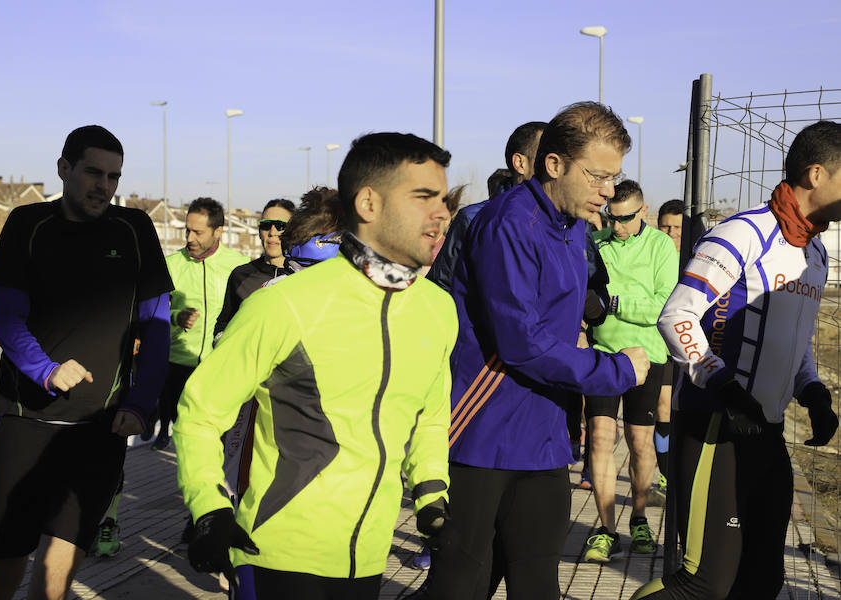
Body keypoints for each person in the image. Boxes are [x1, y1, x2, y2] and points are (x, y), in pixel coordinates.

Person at [174, 132, 459, 600]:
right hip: (277, 553)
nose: (442, 212)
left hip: (369, 557)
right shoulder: (286, 304)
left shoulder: (438, 309)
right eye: (424, 197)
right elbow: (201, 412)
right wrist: (209, 507)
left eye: (443, 198)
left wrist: (431, 497)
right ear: (368, 202)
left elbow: (429, 415)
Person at [424, 101, 650, 600]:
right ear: (554, 165)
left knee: (537, 581)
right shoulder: (509, 225)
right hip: (482, 436)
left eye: (614, 178)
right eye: (597, 177)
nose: (609, 192)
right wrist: (613, 370)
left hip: (543, 439)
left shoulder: (573, 230)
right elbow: (523, 344)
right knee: (461, 584)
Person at [631, 120, 841, 599]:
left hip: (763, 429)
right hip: (714, 426)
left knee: (762, 581)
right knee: (702, 586)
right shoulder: (746, 232)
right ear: (816, 175)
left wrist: (812, 392)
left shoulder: (815, 252)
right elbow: (677, 315)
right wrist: (723, 386)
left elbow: (798, 339)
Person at [0, 125, 172, 600]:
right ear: (64, 169)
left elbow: (158, 325)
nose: (104, 185)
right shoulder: (27, 224)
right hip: (27, 426)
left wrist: (141, 404)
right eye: (93, 172)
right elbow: (5, 316)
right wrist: (45, 369)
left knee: (53, 584)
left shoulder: (134, 229)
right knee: (0, 579)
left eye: (114, 176)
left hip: (99, 432)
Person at [581, 180, 678, 562]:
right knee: (601, 439)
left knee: (640, 443)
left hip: (647, 357)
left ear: (643, 211)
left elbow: (662, 305)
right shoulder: (597, 242)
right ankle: (605, 529)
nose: (616, 226)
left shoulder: (661, 247)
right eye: (611, 217)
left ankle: (638, 516)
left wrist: (615, 302)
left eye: (624, 219)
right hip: (603, 353)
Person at [152, 198, 250, 450]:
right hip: (176, 363)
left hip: (217, 366)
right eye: (187, 230)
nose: (189, 238)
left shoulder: (239, 267)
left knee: (212, 437)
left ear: (218, 231)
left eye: (197, 232)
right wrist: (176, 317)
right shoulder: (172, 265)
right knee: (184, 436)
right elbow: (150, 314)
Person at [427, 121, 547, 292]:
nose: (553, 167)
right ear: (520, 163)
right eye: (545, 158)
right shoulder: (473, 219)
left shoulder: (570, 222)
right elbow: (441, 286)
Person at [213, 198, 296, 342]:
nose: (272, 232)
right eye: (266, 225)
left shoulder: (303, 275)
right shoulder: (240, 275)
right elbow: (223, 326)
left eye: (280, 226)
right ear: (259, 231)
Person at [649, 198, 686, 504]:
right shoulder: (654, 254)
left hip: (688, 349)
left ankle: (683, 471)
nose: (671, 233)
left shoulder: (695, 258)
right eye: (665, 226)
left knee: (681, 413)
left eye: (677, 228)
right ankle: (665, 478)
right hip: (658, 346)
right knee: (663, 409)